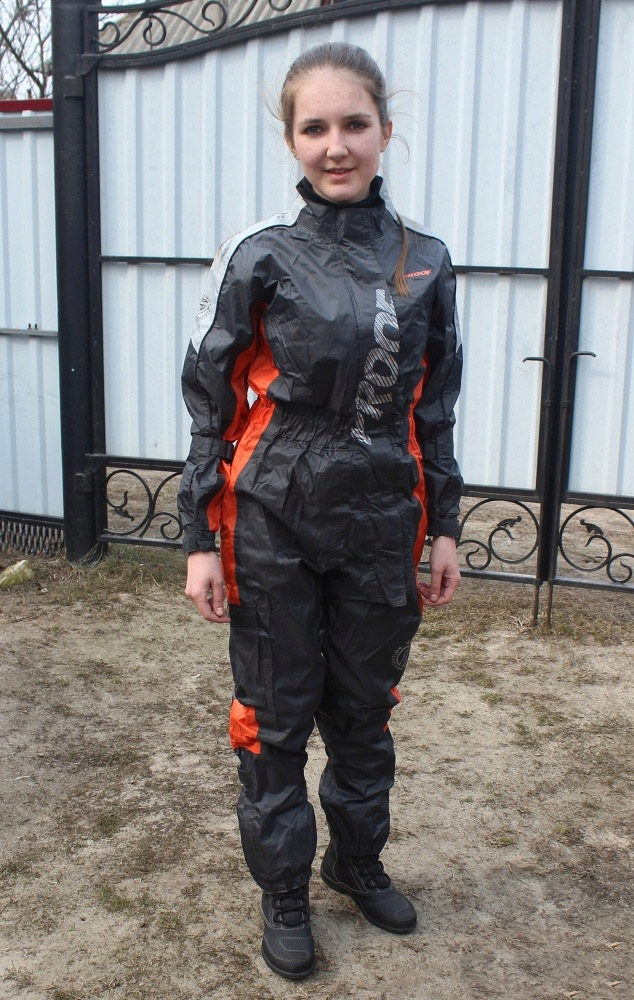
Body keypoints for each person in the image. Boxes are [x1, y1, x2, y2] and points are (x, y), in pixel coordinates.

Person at [177, 41, 463, 980]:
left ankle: (356, 861)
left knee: (365, 710)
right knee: (275, 713)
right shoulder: (260, 254)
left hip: (384, 521)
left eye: (354, 124)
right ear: (292, 140)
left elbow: (434, 405)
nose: (336, 145)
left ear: (386, 130)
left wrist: (446, 524)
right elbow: (211, 400)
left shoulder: (427, 260)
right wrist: (200, 535)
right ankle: (285, 891)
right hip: (274, 519)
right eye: (315, 128)